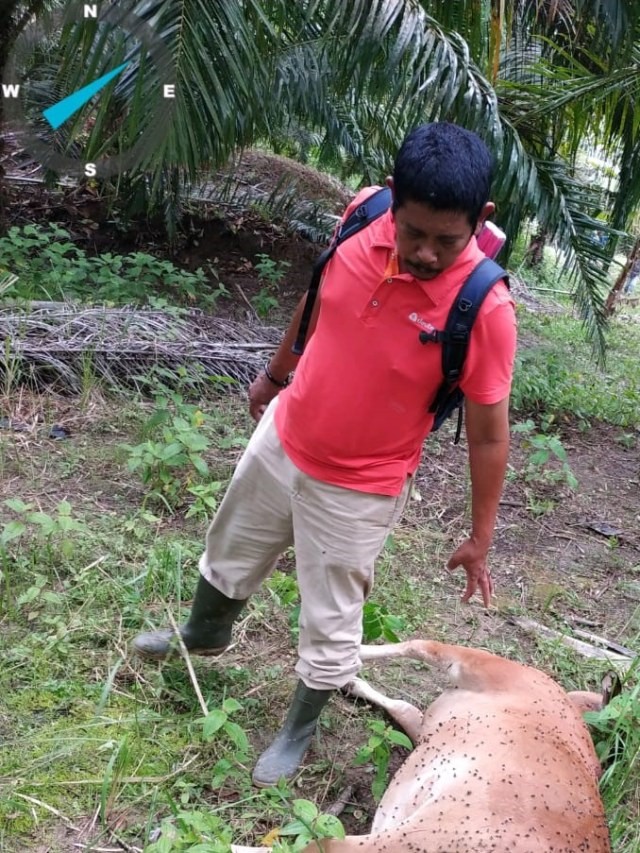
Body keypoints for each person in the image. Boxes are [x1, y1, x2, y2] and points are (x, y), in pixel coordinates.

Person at [132, 122, 517, 787]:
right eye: (413, 232)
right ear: (392, 200)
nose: (425, 252)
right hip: (285, 433)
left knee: (331, 619)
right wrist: (276, 374)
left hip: (360, 486)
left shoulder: (485, 307)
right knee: (231, 545)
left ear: (479, 221)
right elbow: (316, 301)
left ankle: (298, 727)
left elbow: (488, 434)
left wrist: (480, 537)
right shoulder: (362, 212)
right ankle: (204, 632)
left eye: (445, 241)